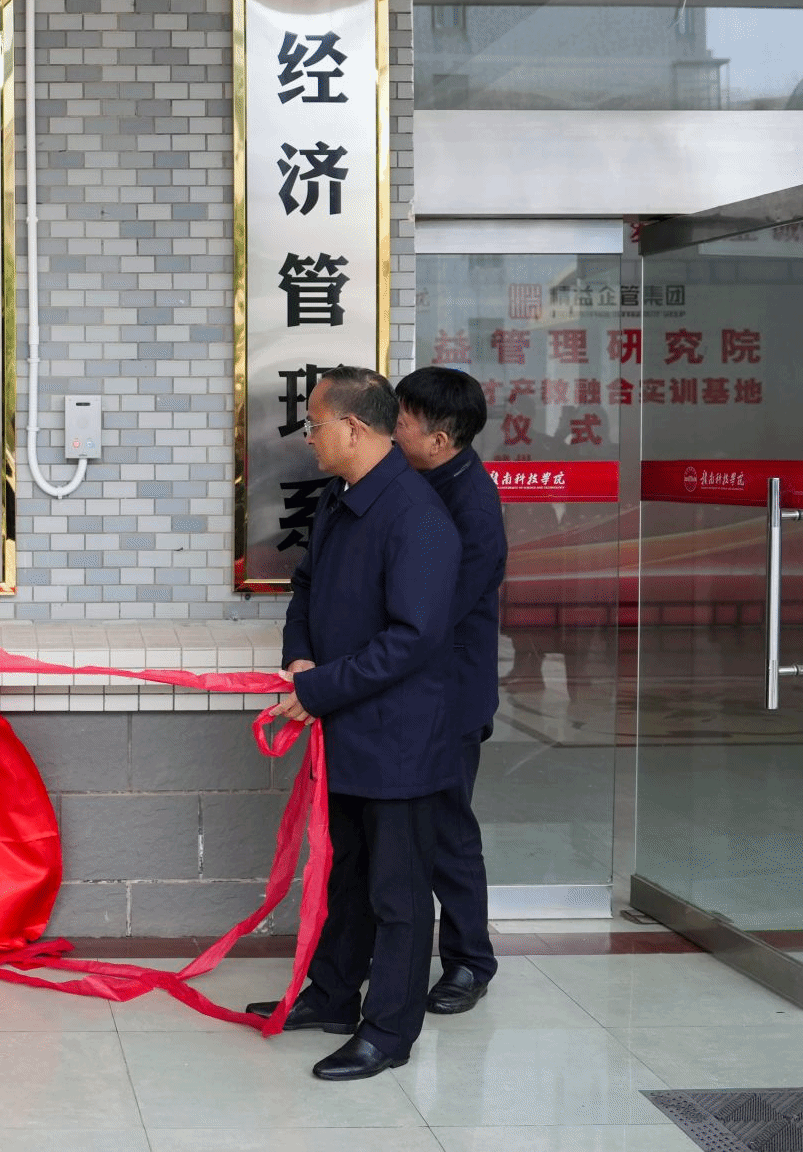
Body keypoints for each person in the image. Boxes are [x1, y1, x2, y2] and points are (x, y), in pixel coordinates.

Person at [247, 366, 461, 1081]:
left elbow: (413, 638)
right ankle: (334, 995)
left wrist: (318, 690)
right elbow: (307, 587)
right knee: (346, 875)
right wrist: (300, 657)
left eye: (314, 425)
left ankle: (389, 1032)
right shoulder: (342, 499)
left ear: (353, 427)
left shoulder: (417, 515)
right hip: (344, 725)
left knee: (398, 893)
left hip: (400, 736)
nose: (307, 437)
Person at [394, 366, 508, 1015]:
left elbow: (433, 614)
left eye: (402, 420)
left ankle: (470, 961)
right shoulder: (421, 480)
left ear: (439, 440)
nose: (391, 428)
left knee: (447, 831)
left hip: (450, 696)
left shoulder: (472, 507)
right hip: (416, 690)